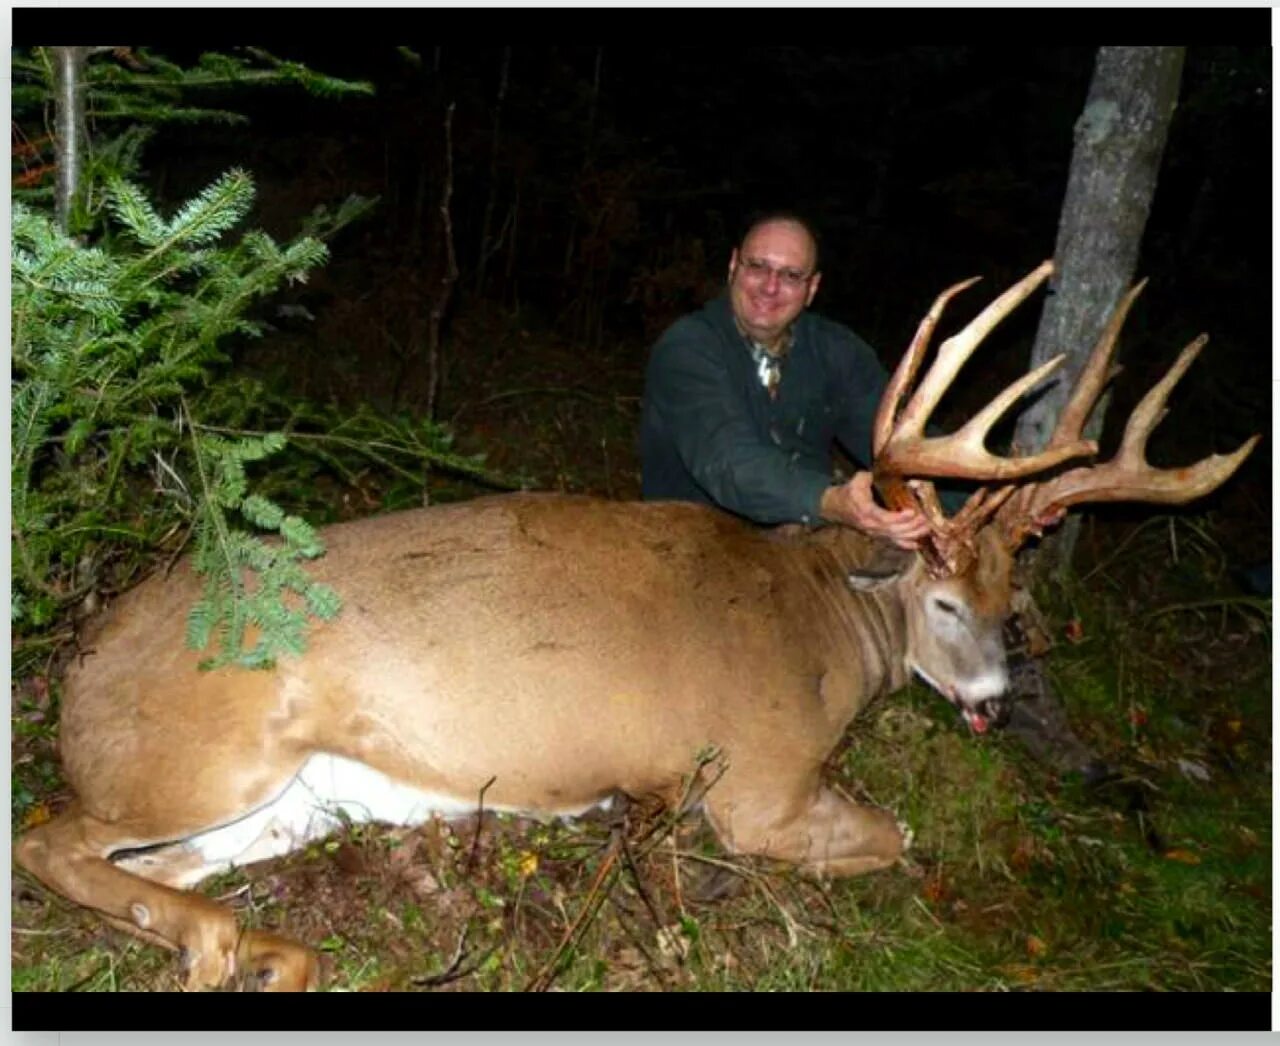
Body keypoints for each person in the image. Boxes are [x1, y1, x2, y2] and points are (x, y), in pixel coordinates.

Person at [640, 211, 930, 549]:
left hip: (800, 555)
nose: (771, 286)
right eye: (758, 267)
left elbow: (900, 444)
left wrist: (983, 494)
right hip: (692, 550)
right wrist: (831, 502)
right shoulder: (688, 348)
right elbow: (730, 465)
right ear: (734, 266)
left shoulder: (836, 351)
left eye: (792, 275)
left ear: (812, 288)